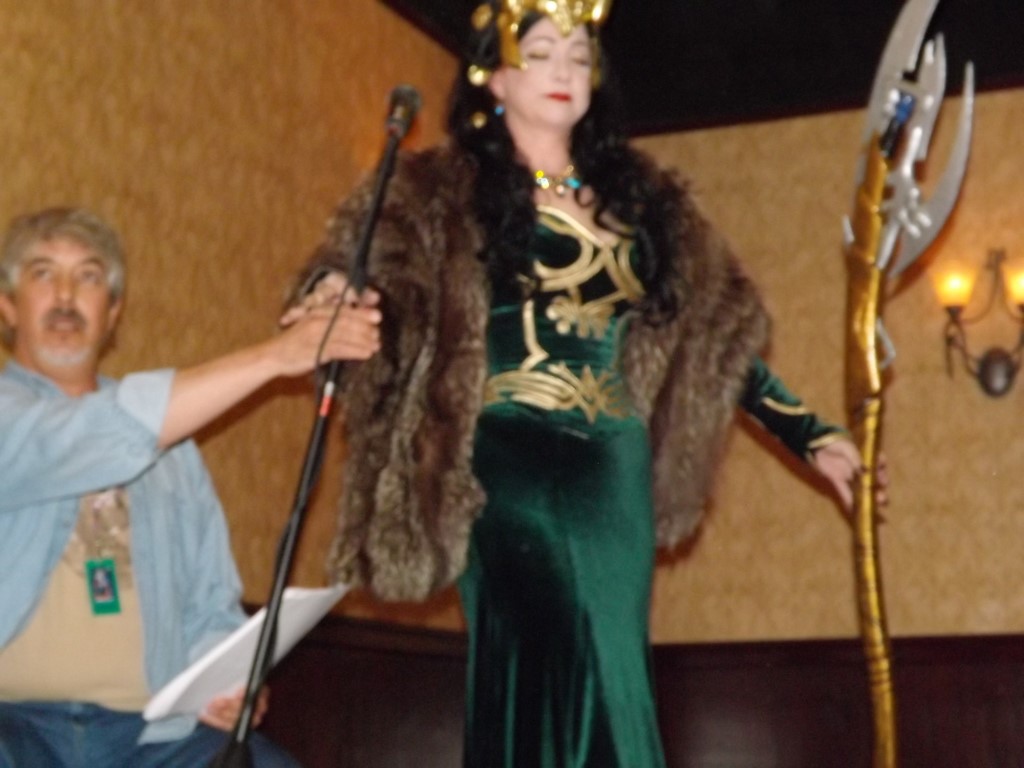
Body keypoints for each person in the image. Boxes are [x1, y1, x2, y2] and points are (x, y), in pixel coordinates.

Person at [284, 1, 877, 765]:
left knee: (611, 661)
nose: (564, 70)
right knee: (549, 651)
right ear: (494, 76)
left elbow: (718, 335)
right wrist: (331, 291)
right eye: (539, 53)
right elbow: (359, 265)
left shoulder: (646, 203)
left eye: (579, 55)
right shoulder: (434, 190)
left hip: (612, 475)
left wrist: (811, 435)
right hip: (503, 471)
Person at [0, 206, 381, 767]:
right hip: (14, 726)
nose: (65, 296)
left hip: (147, 739)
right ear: (8, 306)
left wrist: (227, 687)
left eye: (88, 277)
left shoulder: (176, 455)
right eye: (42, 274)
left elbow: (209, 605)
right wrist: (276, 355)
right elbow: (99, 432)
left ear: (113, 312)